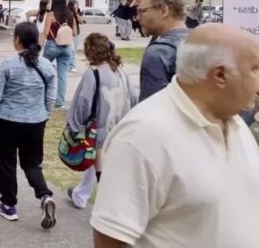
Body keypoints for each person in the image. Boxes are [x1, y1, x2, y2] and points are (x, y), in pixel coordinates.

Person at [91, 24, 259, 248]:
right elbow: (111, 237)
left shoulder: (234, 121)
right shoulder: (143, 135)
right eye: (255, 69)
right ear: (220, 75)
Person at [0, 22, 57, 229]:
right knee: (32, 163)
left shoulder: (8, 64)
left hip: (6, 120)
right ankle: (44, 195)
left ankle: (8, 205)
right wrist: (44, 114)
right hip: (36, 121)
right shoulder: (46, 65)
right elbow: (51, 96)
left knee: (6, 162)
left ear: (18, 39)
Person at [65, 33, 138, 210]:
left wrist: (75, 124)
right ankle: (81, 193)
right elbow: (134, 96)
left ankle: (107, 200)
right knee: (102, 160)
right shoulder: (120, 71)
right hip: (120, 124)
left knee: (98, 160)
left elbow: (83, 102)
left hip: (99, 127)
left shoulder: (93, 73)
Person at [136, 0, 189, 101]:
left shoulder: (159, 52)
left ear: (164, 11)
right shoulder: (201, 43)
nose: (138, 17)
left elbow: (152, 105)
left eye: (142, 11)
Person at [40, 0, 75, 108]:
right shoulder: (70, 14)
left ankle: (41, 96)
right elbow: (74, 32)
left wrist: (38, 46)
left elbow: (45, 32)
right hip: (66, 47)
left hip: (52, 45)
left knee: (42, 70)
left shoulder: (51, 14)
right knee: (62, 75)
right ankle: (60, 101)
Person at [67, 0, 84, 73]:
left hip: (77, 34)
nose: (76, 6)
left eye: (77, 4)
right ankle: (72, 66)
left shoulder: (77, 13)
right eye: (75, 4)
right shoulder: (67, 13)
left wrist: (76, 13)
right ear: (71, 5)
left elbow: (81, 22)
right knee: (71, 50)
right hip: (69, 34)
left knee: (74, 51)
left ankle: (70, 65)